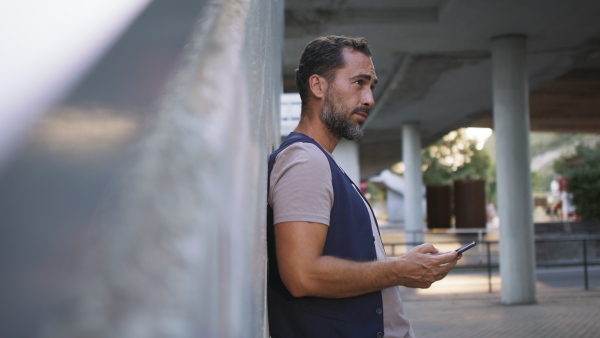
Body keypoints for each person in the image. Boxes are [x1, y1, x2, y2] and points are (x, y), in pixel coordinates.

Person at [267, 35, 461, 338]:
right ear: (318, 86)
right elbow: (301, 275)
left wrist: (404, 263)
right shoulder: (305, 161)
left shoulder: (320, 161)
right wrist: (398, 270)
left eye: (371, 86)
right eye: (359, 82)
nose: (369, 98)